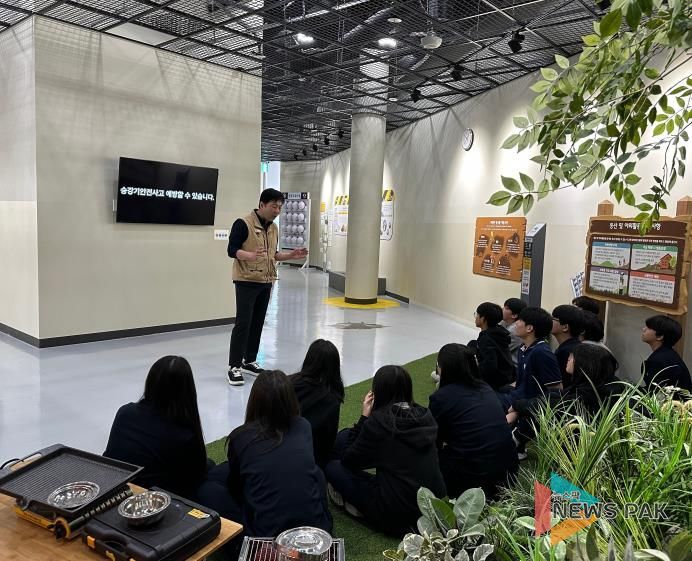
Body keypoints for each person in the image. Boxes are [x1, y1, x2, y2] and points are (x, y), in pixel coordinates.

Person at [326, 365, 445, 537]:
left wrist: (364, 417)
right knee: (345, 437)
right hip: (432, 508)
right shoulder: (425, 415)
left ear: (378, 392)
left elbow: (349, 460)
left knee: (333, 467)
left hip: (396, 514)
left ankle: (362, 511)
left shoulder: (379, 423)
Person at [224, 370, 332, 536]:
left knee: (212, 489)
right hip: (317, 532)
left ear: (254, 401)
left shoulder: (240, 437)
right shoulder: (303, 426)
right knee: (316, 472)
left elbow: (235, 487)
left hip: (267, 538)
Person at [226, 189, 308, 386]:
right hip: (246, 280)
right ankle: (234, 366)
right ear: (262, 205)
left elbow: (274, 255)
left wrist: (291, 255)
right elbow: (231, 250)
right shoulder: (243, 223)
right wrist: (249, 255)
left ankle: (249, 360)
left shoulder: (273, 228)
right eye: (274, 206)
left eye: (280, 207)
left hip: (266, 280)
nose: (277, 211)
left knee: (258, 322)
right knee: (243, 323)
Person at [104, 356, 209, 499]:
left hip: (113, 486)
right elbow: (194, 477)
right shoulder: (183, 434)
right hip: (152, 499)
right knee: (210, 478)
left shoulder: (125, 411)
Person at [429, 344, 518, 500]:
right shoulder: (485, 388)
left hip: (475, 482)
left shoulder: (441, 398)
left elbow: (433, 439)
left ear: (443, 368)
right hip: (508, 474)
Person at [289, 339, 345, 468]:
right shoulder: (332, 399)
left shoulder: (288, 383)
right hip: (310, 461)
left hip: (279, 448)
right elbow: (327, 443)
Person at [502, 307, 562, 414]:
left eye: (520, 320)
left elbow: (556, 392)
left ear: (529, 328)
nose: (516, 323)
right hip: (516, 398)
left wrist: (519, 410)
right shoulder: (523, 348)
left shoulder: (542, 353)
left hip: (527, 407)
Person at [470, 302, 515, 390]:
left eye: (477, 314)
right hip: (507, 373)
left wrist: (474, 375)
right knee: (472, 344)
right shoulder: (498, 330)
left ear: (483, 319)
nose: (475, 317)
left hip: (497, 381)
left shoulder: (486, 339)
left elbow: (490, 366)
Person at [641, 315, 692, 393]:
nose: (643, 329)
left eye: (648, 327)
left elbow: (656, 393)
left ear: (660, 336)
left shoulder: (660, 360)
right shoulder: (667, 354)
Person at [551, 305, 584, 386]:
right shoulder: (576, 346)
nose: (550, 321)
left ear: (565, 327)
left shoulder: (565, 352)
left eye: (553, 319)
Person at [500, 297, 528, 367]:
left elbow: (499, 350)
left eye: (506, 308)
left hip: (513, 366)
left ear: (514, 315)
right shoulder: (504, 322)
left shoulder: (514, 330)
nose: (502, 309)